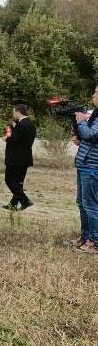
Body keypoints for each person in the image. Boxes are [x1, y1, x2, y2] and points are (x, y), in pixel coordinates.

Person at [72, 85, 98, 253]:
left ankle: (95, 243)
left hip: (93, 166)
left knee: (91, 205)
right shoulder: (95, 114)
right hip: (84, 164)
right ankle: (85, 237)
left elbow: (92, 135)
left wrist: (81, 121)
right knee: (82, 203)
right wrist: (80, 139)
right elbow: (89, 138)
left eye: (96, 92)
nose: (93, 94)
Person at [3, 104, 36, 211]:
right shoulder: (31, 124)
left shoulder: (21, 125)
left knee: (9, 180)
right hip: (26, 157)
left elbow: (14, 140)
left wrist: (6, 138)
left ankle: (25, 200)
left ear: (18, 112)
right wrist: (13, 127)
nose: (13, 114)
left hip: (15, 158)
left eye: (13, 112)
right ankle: (13, 204)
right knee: (19, 182)